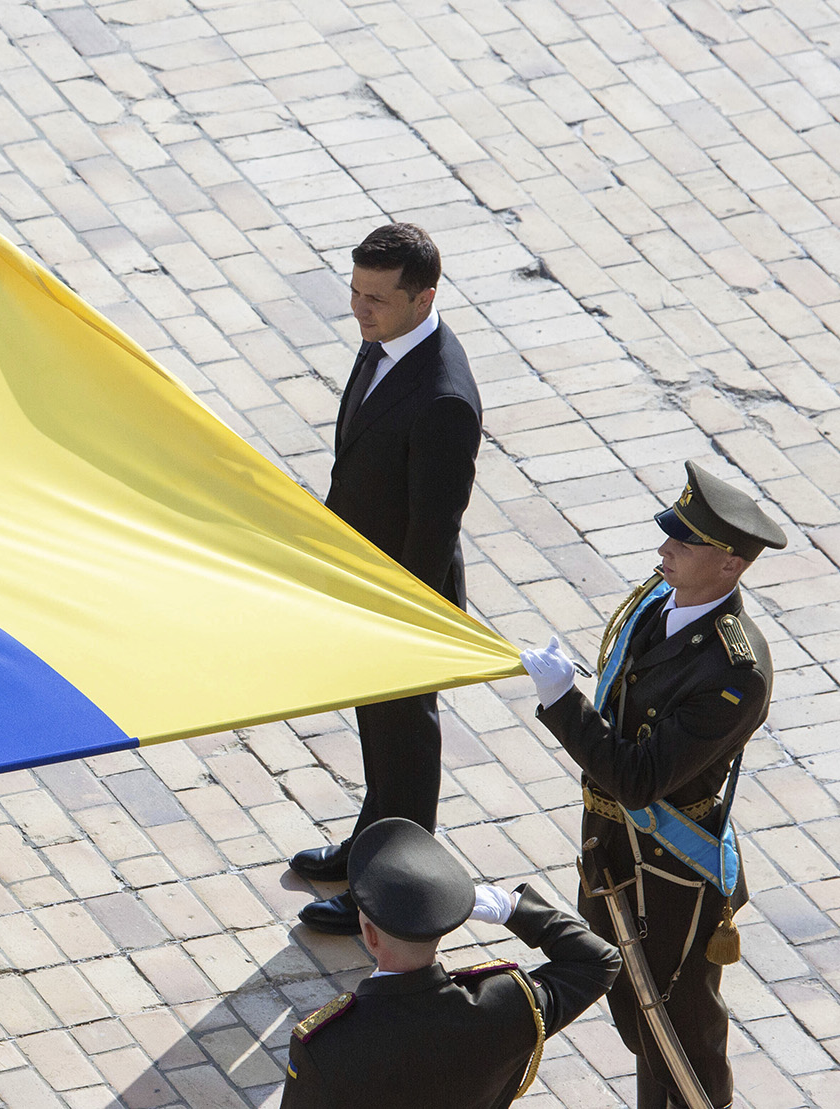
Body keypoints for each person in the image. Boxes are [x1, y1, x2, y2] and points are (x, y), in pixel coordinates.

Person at [520, 461, 785, 1109]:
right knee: (640, 1020)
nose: (665, 548)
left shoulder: (734, 671)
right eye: (671, 533)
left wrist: (562, 702)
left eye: (685, 542)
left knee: (677, 1025)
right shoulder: (655, 600)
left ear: (730, 565)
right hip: (611, 843)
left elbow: (637, 779)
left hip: (667, 866)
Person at [289, 223, 483, 934]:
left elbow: (434, 524)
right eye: (355, 292)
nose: (360, 310)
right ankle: (371, 840)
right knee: (379, 731)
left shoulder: (441, 399)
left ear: (422, 296)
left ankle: (392, 888)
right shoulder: (387, 343)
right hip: (366, 578)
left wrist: (398, 618)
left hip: (400, 595)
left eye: (376, 298)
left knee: (403, 743)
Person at [281, 817, 620, 1107]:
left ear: (370, 936)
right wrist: (512, 908)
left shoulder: (327, 1045)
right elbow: (598, 960)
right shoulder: (510, 1002)